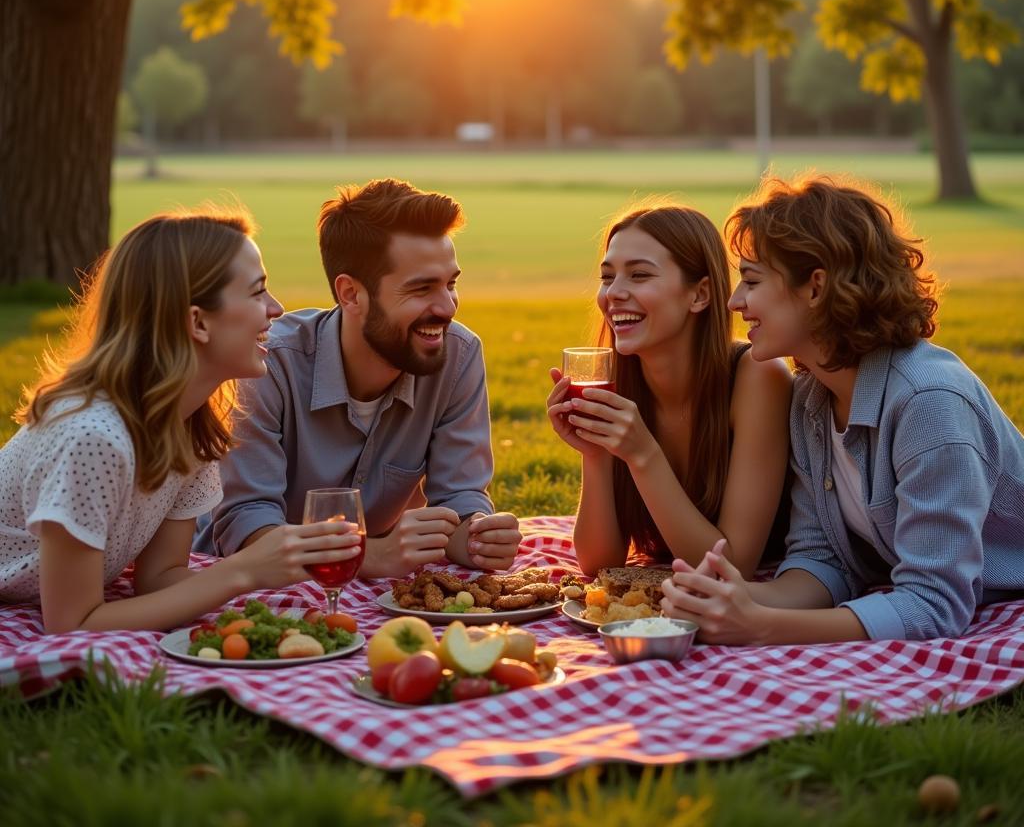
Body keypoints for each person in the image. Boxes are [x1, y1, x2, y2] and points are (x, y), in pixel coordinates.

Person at [662, 174, 1024, 643]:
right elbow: (823, 557)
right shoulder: (812, 399)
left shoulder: (929, 403)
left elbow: (936, 606)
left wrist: (761, 626)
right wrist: (735, 600)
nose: (735, 302)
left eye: (751, 280)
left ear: (815, 288)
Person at [0, 209, 363, 633]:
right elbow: (72, 623)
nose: (276, 309)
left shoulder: (191, 427)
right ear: (197, 321)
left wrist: (254, 606)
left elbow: (160, 579)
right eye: (257, 292)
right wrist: (242, 571)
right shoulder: (92, 436)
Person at [194, 179, 521, 578]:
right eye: (421, 289)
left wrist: (477, 538)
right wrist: (373, 556)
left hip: (372, 592)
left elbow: (459, 498)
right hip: (243, 584)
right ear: (350, 294)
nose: (447, 306)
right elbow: (246, 524)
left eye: (451, 284)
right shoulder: (265, 364)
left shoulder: (458, 355)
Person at [546, 205, 793, 577]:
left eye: (640, 275)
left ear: (700, 295)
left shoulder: (757, 376)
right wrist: (595, 454)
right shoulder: (619, 385)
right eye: (607, 277)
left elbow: (729, 567)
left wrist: (643, 453)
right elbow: (600, 565)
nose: (614, 293)